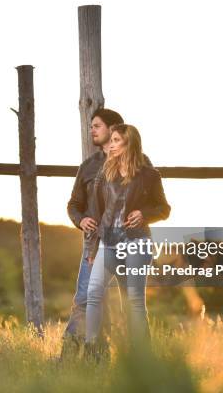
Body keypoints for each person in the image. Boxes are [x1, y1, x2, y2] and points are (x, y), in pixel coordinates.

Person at [84, 124, 170, 356]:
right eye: (110, 140)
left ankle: (142, 355)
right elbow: (97, 212)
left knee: (134, 300)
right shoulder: (105, 173)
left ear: (129, 143)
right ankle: (89, 349)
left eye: (115, 140)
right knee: (93, 293)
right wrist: (93, 248)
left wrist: (145, 214)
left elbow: (164, 209)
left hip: (137, 244)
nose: (110, 145)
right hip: (109, 244)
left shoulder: (150, 175)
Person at [61, 108, 127, 358]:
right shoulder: (88, 167)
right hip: (95, 246)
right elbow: (73, 205)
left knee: (131, 306)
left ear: (113, 129)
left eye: (97, 125)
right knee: (85, 300)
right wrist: (82, 219)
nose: (92, 130)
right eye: (91, 126)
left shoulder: (136, 162)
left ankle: (138, 365)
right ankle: (70, 358)